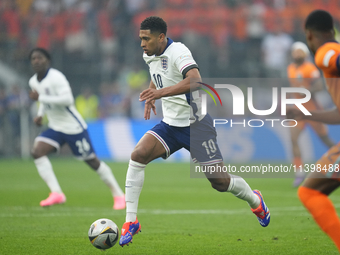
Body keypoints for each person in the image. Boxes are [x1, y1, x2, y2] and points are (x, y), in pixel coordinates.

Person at [119, 16, 270, 247]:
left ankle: (255, 200)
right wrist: (152, 92)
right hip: (170, 125)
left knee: (219, 182)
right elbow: (157, 75)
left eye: (146, 39)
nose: (142, 43)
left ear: (161, 37)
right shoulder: (149, 54)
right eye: (140, 38)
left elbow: (196, 81)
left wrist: (159, 94)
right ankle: (131, 221)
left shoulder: (179, 51)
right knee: (138, 155)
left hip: (196, 125)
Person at [28, 48, 125, 210]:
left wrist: (41, 98)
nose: (36, 61)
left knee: (92, 161)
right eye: (33, 59)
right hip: (55, 126)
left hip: (73, 126)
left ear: (48, 61)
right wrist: (40, 114)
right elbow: (44, 101)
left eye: (40, 58)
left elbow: (67, 99)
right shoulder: (33, 82)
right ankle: (56, 193)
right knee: (37, 151)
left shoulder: (57, 77)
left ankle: (118, 195)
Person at [288, 10, 340, 252]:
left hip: (311, 105)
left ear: (309, 35)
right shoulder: (293, 68)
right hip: (307, 110)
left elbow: (333, 58)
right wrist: (303, 113)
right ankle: (298, 170)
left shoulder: (324, 54)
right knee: (296, 140)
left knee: (310, 193)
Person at [287, 41, 335, 187]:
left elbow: (319, 86)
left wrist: (306, 91)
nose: (297, 54)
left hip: (312, 109)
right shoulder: (290, 68)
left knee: (326, 140)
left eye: (299, 51)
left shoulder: (309, 68)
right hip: (298, 109)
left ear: (305, 54)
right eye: (295, 51)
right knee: (293, 138)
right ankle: (299, 173)